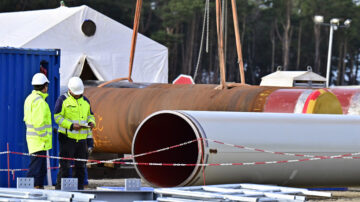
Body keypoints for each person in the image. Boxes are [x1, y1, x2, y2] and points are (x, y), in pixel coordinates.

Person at [54, 77, 95, 190]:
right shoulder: (62, 100)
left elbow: (90, 115)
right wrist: (71, 126)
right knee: (65, 167)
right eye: (75, 93)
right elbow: (57, 117)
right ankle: (60, 189)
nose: (78, 95)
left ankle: (79, 189)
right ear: (69, 90)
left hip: (81, 140)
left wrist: (92, 122)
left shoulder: (85, 101)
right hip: (67, 139)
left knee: (81, 167)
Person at [23, 73, 52, 189]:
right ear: (45, 86)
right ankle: (31, 192)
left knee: (38, 170)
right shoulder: (40, 102)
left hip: (33, 141)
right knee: (36, 171)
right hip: (40, 141)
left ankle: (37, 190)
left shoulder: (29, 99)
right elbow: (39, 124)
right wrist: (45, 138)